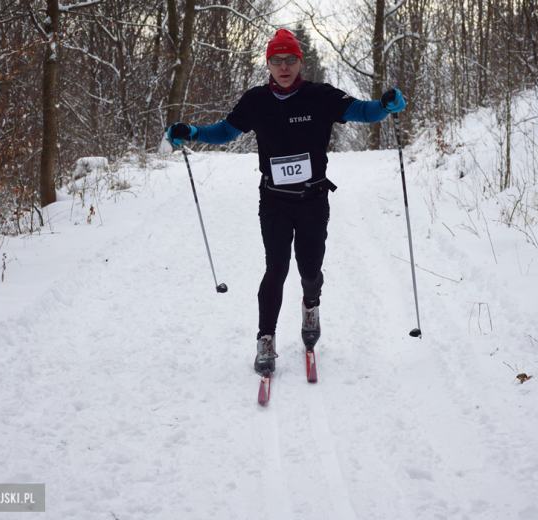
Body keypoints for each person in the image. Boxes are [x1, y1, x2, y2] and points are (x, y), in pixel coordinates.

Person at [167, 28, 406, 376]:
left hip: (313, 199)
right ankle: (266, 338)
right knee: (276, 269)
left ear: (300, 62)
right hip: (274, 201)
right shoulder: (256, 101)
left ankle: (311, 305)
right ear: (268, 63)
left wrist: (385, 106)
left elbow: (363, 112)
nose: (283, 66)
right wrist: (192, 132)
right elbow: (225, 131)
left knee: (310, 272)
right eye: (276, 60)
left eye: (290, 59)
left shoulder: (320, 96)